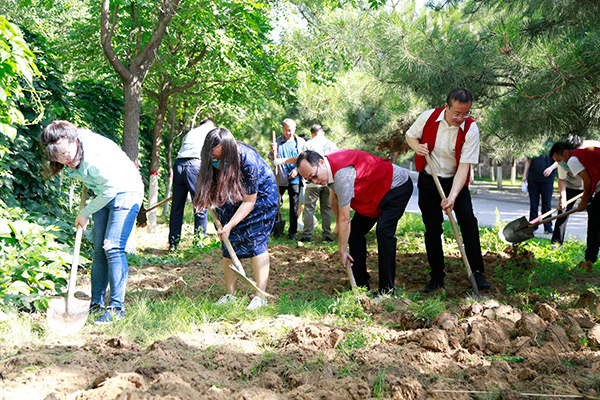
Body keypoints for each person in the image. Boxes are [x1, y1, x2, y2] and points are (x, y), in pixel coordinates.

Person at [40, 120, 143, 325]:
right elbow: (101, 188)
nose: (65, 160)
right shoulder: (70, 148)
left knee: (112, 247)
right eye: (58, 157)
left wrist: (85, 212)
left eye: (65, 153)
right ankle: (96, 303)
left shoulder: (94, 156)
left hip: (126, 191)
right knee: (99, 249)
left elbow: (110, 190)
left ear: (74, 141)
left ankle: (116, 308)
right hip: (102, 193)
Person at [405, 88, 491, 292]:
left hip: (455, 180)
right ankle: (437, 276)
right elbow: (410, 136)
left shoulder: (471, 129)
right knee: (433, 227)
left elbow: (464, 167)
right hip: (430, 178)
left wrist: (452, 196)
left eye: (465, 113)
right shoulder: (428, 117)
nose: (461, 118)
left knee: (468, 221)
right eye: (456, 113)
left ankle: (476, 272)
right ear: (446, 107)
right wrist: (416, 147)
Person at [296, 149, 413, 296]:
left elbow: (345, 219)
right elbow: (334, 199)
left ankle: (387, 290)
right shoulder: (327, 169)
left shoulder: (341, 175)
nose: (315, 182)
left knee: (384, 231)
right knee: (355, 232)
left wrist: (342, 250)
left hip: (396, 186)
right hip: (375, 192)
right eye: (309, 180)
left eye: (314, 176)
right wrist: (337, 224)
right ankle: (361, 285)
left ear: (321, 163)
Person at [193, 127, 278, 310]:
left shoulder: (247, 160)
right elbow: (211, 180)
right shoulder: (211, 158)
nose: (217, 162)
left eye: (221, 158)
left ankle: (260, 297)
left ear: (230, 152)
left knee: (256, 241)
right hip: (232, 192)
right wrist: (208, 197)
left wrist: (230, 224)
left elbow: (249, 201)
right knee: (227, 241)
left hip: (260, 197)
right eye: (214, 158)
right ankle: (230, 295)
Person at [550, 140, 600, 272]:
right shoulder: (580, 155)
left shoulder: (572, 159)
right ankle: (590, 259)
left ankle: (589, 261)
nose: (559, 163)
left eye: (559, 159)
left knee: (594, 224)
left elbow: (587, 181)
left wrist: (584, 201)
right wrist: (564, 198)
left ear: (566, 153)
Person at [168, 118, 216, 251]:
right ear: (212, 125)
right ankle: (199, 243)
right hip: (194, 166)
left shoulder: (191, 132)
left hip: (179, 165)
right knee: (200, 206)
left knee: (177, 207)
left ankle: (173, 243)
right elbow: (211, 156)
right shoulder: (210, 133)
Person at [298, 125, 338, 243]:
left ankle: (307, 235)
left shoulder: (308, 144)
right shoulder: (331, 144)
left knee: (309, 208)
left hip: (312, 182)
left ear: (312, 133)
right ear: (322, 132)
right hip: (327, 180)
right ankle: (327, 235)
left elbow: (301, 162)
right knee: (327, 208)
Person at [268, 119, 306, 240]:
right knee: (276, 202)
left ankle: (292, 231)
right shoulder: (278, 141)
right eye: (285, 130)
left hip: (294, 178)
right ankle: (274, 229)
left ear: (294, 130)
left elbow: (303, 159)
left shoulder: (299, 142)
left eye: (290, 130)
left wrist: (297, 170)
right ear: (282, 129)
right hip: (280, 177)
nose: (288, 132)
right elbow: (271, 158)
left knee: (294, 205)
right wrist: (272, 151)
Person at [522, 142, 558, 234]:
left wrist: (551, 168)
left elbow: (558, 161)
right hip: (533, 179)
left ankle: (548, 226)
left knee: (547, 205)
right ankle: (533, 226)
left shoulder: (553, 144)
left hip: (547, 180)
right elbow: (528, 161)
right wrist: (524, 175)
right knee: (534, 204)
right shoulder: (533, 143)